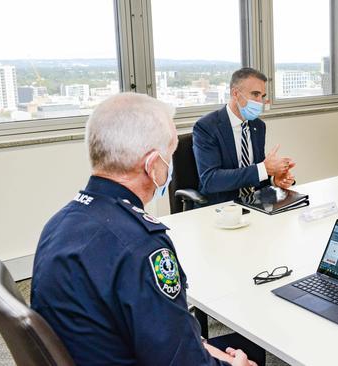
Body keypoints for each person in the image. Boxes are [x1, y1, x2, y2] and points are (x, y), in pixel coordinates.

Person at [30, 93, 264, 366]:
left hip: (99, 350)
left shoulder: (61, 222)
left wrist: (204, 347)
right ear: (153, 164)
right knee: (251, 353)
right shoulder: (141, 247)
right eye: (171, 153)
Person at [193, 67, 295, 205]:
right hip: (220, 207)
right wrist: (263, 168)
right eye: (255, 94)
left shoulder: (258, 126)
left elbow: (256, 173)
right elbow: (211, 180)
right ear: (235, 93)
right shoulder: (206, 127)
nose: (260, 102)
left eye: (262, 96)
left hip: (253, 203)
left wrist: (274, 179)